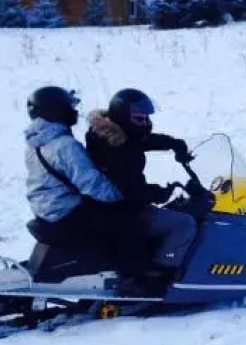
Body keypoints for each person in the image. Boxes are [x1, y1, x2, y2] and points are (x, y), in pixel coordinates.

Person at [24, 85, 150, 293]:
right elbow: (93, 185)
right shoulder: (65, 145)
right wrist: (126, 195)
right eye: (69, 107)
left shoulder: (38, 142)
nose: (74, 112)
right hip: (65, 212)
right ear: (56, 111)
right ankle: (132, 281)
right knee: (128, 222)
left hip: (48, 208)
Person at [84, 88, 197, 279]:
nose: (144, 123)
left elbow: (141, 141)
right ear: (122, 117)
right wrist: (159, 193)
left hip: (114, 207)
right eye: (139, 119)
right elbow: (132, 189)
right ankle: (159, 277)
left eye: (146, 118)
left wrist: (173, 143)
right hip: (123, 210)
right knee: (184, 223)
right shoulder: (115, 149)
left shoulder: (112, 135)